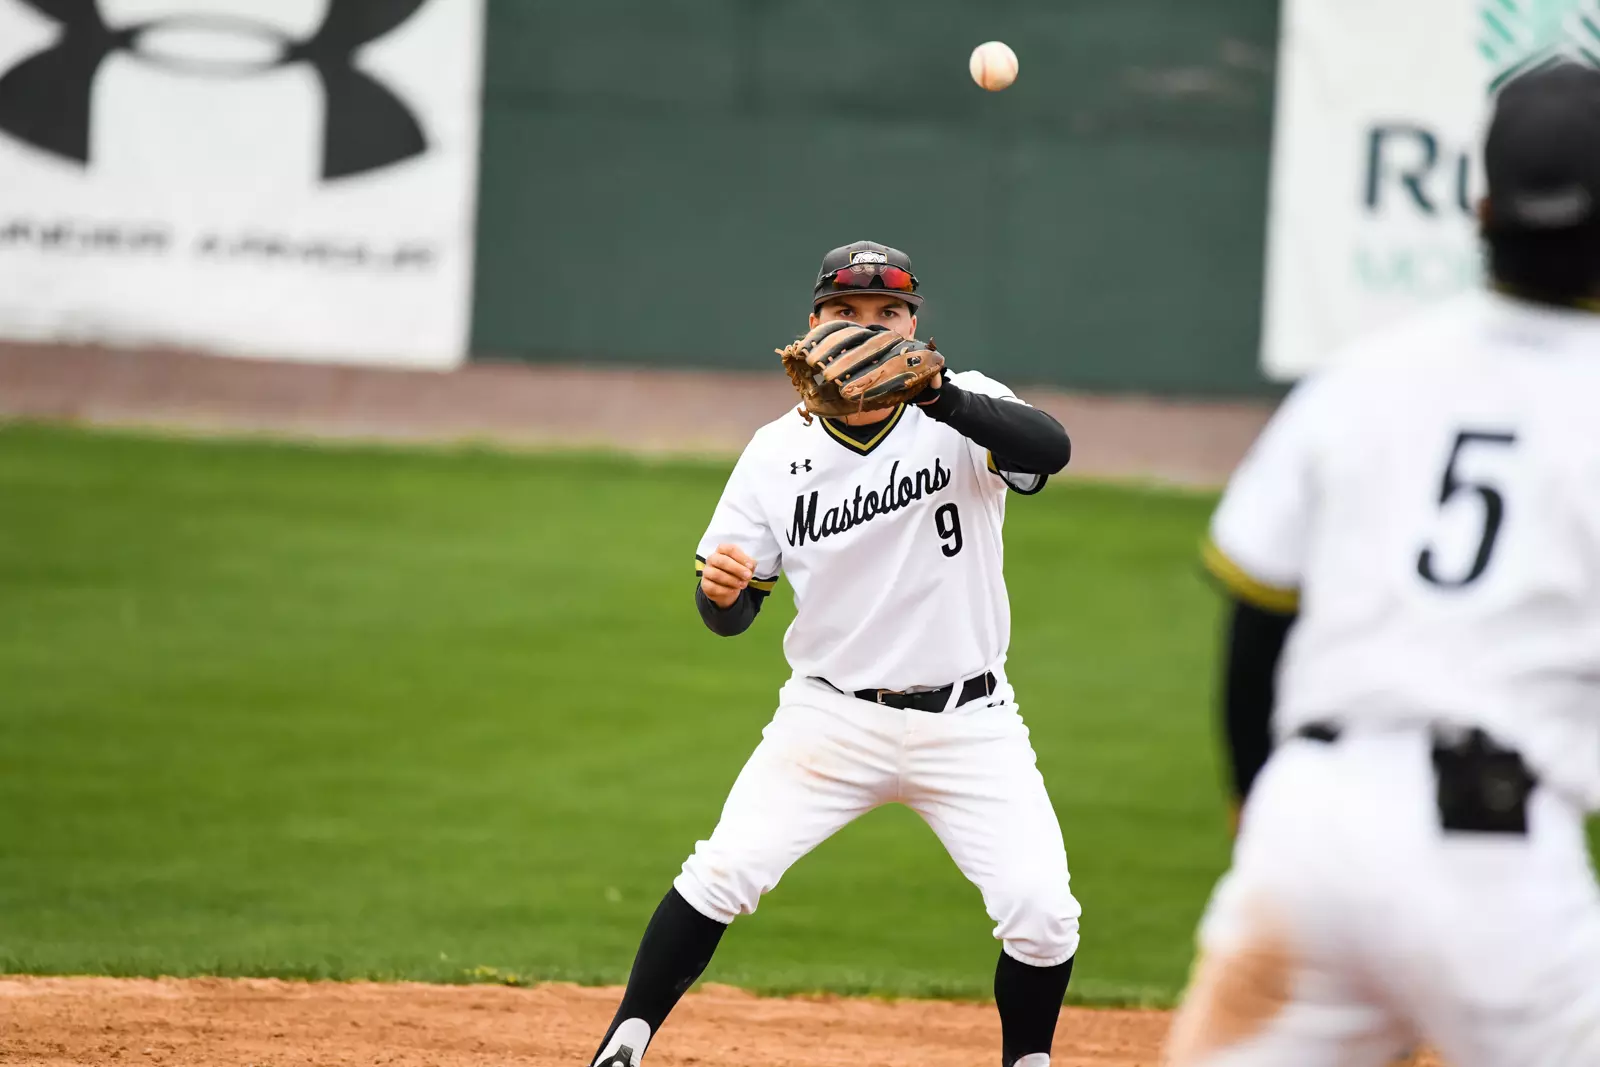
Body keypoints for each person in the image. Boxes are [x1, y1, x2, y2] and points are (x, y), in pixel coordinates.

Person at [1163, 62, 1600, 1066]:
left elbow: (1258, 613)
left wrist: (1254, 806)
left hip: (1305, 836)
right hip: (1499, 869)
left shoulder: (1363, 375)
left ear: (1478, 203)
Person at [588, 241, 1080, 1067]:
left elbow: (1051, 448)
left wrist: (942, 397)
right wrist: (722, 593)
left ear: (915, 325)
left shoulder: (964, 411)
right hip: (830, 718)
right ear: (813, 326)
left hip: (973, 721)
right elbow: (734, 612)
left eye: (888, 314)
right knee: (723, 871)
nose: (868, 328)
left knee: (1042, 911)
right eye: (847, 313)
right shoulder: (775, 452)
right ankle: (620, 1048)